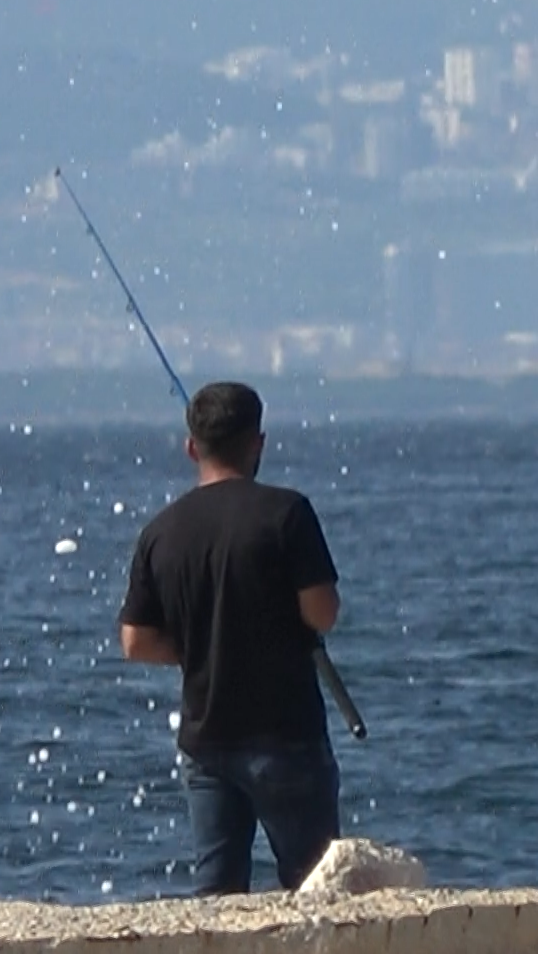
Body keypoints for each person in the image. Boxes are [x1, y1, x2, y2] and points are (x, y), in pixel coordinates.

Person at [117, 381, 343, 895]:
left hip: (206, 742)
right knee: (316, 891)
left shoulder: (161, 531)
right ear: (257, 443)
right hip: (288, 738)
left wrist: (199, 648)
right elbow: (323, 613)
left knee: (216, 898)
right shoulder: (287, 514)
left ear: (192, 447)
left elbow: (134, 641)